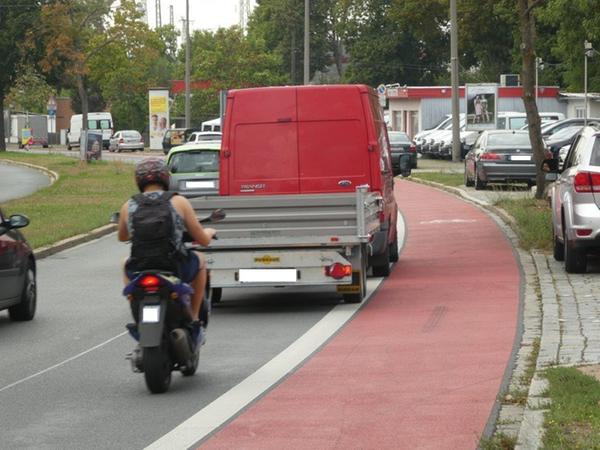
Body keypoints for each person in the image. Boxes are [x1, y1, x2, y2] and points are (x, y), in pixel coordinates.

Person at [117, 158, 216, 344]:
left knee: (124, 263)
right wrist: (209, 232)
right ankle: (194, 318)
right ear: (166, 178)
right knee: (201, 261)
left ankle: (133, 298)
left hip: (141, 267)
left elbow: (122, 237)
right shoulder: (179, 201)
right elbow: (202, 239)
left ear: (138, 181)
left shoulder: (128, 206)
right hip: (174, 266)